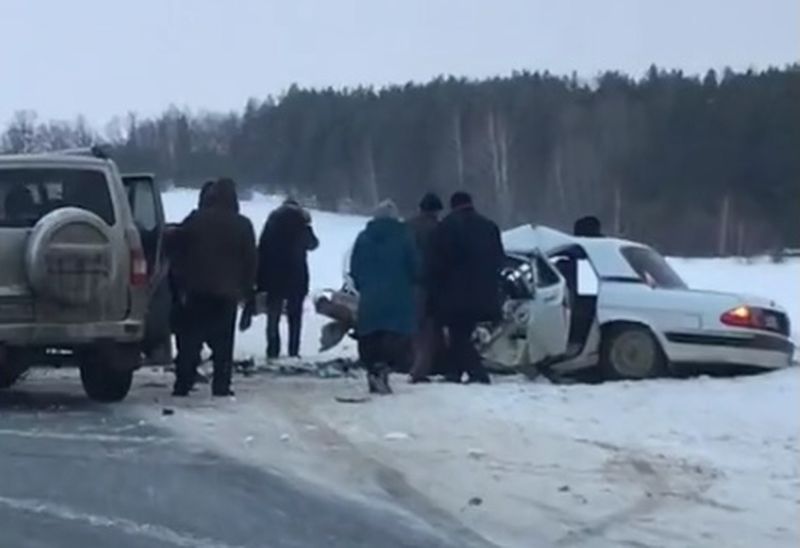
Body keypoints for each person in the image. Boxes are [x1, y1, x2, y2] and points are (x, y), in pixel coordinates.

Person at [172, 178, 257, 397]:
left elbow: (177, 248)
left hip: (196, 291)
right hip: (226, 294)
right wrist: (248, 293)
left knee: (190, 340)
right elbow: (250, 262)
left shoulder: (196, 220)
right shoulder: (243, 225)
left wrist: (179, 283)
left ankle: (183, 382)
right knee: (224, 344)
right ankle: (221, 384)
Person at [429, 191, 504, 384]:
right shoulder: (489, 226)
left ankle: (477, 372)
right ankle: (453, 372)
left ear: (453, 205)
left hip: (456, 293)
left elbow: (439, 262)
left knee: (458, 335)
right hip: (485, 292)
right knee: (461, 333)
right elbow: (499, 260)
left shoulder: (447, 226)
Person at [350, 200, 417, 394]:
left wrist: (363, 284)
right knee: (395, 335)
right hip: (398, 294)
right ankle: (383, 369)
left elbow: (355, 267)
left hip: (371, 296)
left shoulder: (364, 237)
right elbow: (414, 265)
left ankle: (373, 369)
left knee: (370, 335)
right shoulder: (405, 237)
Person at [256, 198, 319, 360]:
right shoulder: (301, 223)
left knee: (273, 315)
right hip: (297, 274)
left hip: (274, 274)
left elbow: (262, 248)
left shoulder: (273, 222)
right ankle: (293, 350)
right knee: (295, 315)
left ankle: (272, 349)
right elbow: (313, 244)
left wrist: (259, 277)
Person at [407, 192, 446, 383]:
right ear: (437, 210)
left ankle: (416, 364)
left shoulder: (407, 227)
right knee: (428, 329)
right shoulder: (440, 229)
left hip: (410, 283)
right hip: (432, 283)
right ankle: (421, 369)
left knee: (415, 327)